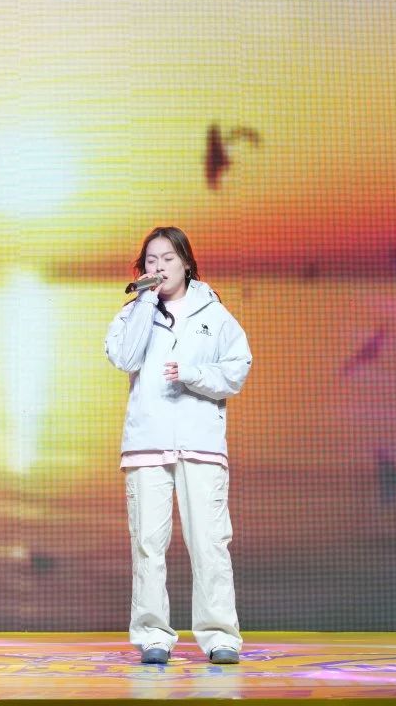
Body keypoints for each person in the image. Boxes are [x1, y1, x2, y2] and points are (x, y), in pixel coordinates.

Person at [104, 226, 252, 666]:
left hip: (201, 443)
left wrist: (193, 374)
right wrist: (144, 301)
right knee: (148, 544)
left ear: (186, 263)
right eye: (151, 260)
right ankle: (153, 635)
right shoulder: (133, 313)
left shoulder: (214, 313)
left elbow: (237, 369)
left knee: (209, 542)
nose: (160, 266)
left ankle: (220, 636)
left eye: (168, 259)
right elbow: (125, 358)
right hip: (146, 443)